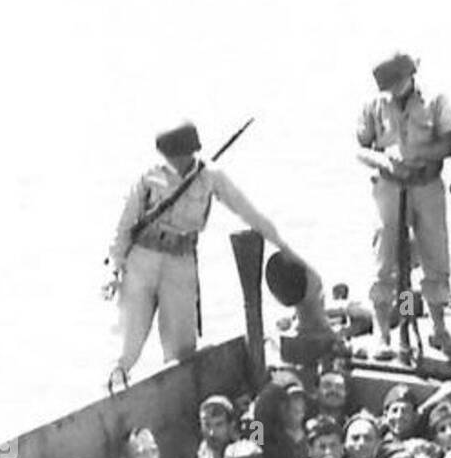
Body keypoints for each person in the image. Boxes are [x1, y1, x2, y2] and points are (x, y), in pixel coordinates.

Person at [105, 120, 307, 392]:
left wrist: (282, 244)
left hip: (181, 260)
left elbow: (247, 211)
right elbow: (124, 225)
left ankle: (180, 398)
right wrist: (114, 268)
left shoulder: (209, 176)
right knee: (128, 342)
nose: (176, 160)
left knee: (181, 346)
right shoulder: (148, 176)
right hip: (143, 259)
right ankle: (115, 385)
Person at [355, 53, 451, 360]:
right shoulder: (374, 106)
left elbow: (450, 143)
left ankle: (438, 329)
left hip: (426, 186)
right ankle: (387, 332)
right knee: (387, 260)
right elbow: (360, 148)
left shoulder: (435, 101)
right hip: (389, 188)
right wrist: (386, 159)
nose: (393, 90)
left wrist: (417, 153)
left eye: (397, 82)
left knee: (434, 257)